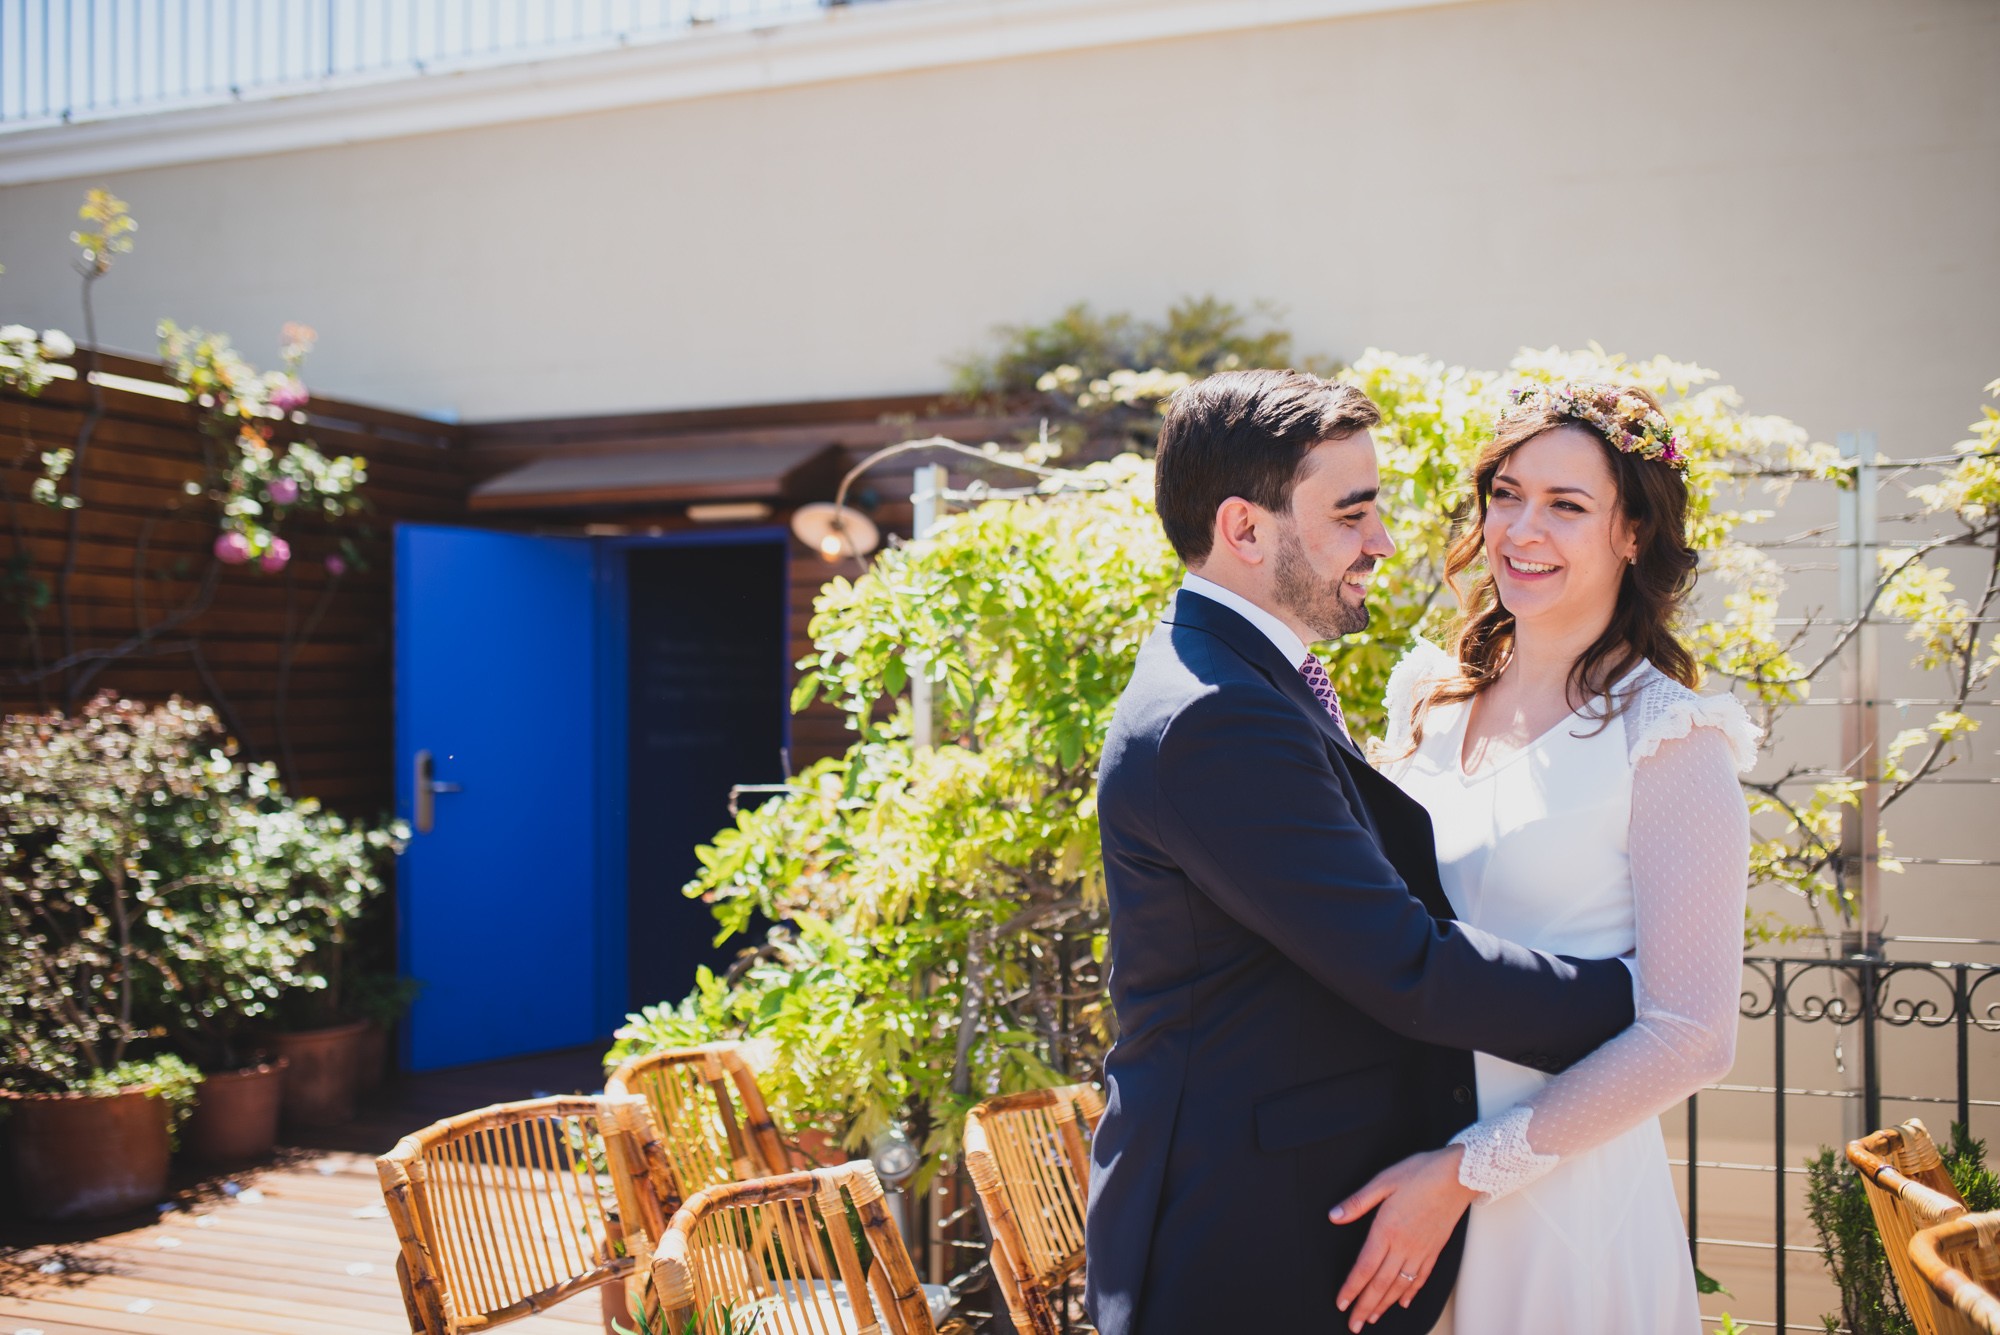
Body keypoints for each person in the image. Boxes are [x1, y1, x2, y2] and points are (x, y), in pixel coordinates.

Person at [1086, 369, 1638, 1335]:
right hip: (1242, 1245)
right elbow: (1403, 963)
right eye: (1352, 514)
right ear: (1244, 528)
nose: (1381, 540)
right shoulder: (1218, 715)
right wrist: (1637, 996)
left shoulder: (1242, 679)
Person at [1334, 381, 1757, 1333]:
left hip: (1558, 1205)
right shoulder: (1427, 699)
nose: (1523, 529)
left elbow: (1692, 1033)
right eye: (1507, 494)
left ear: (1634, 532)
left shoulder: (1669, 740)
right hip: (1396, 1173)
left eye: (1567, 505)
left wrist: (1464, 1172)